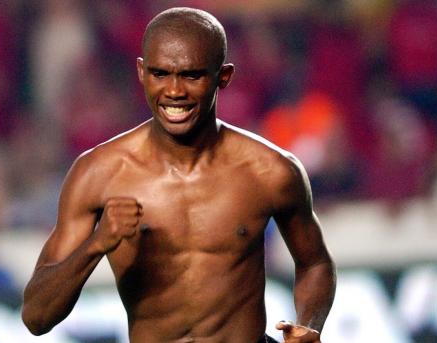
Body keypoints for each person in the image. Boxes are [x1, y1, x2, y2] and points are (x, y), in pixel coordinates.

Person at [22, 7, 336, 343]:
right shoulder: (99, 174)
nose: (174, 91)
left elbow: (315, 263)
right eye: (160, 74)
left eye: (191, 75)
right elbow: (36, 317)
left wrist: (309, 324)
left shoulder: (270, 170)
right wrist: (97, 244)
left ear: (224, 76)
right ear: (142, 72)